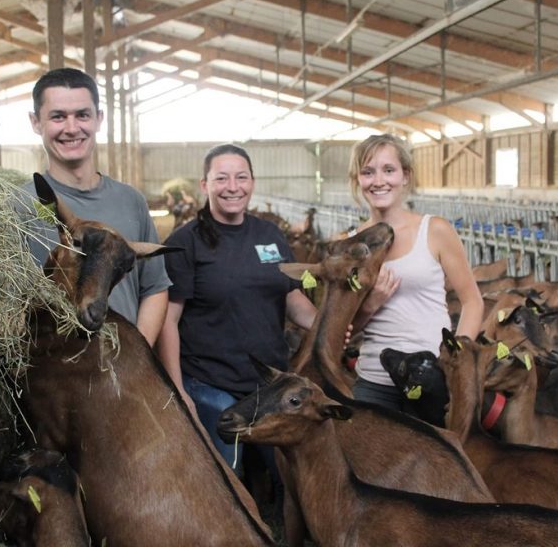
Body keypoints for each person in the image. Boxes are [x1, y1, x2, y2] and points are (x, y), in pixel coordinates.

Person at [157, 143, 317, 474]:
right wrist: (177, 389)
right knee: (227, 473)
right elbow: (168, 320)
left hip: (270, 382)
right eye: (222, 178)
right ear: (205, 185)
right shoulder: (186, 241)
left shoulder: (269, 235)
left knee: (287, 472)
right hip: (211, 383)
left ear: (252, 182)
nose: (233, 187)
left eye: (241, 177)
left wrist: (329, 327)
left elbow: (293, 299)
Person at [19, 68, 170, 346]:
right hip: (48, 366)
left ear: (99, 119)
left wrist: (135, 357)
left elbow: (154, 288)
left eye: (82, 115)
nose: (71, 128)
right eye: (58, 116)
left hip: (121, 363)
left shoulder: (131, 201)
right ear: (36, 122)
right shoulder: (18, 205)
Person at [348, 133, 483, 411]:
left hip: (432, 375)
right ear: (358, 179)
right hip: (375, 381)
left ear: (405, 175)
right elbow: (347, 329)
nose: (378, 181)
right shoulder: (350, 245)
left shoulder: (434, 230)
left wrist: (455, 363)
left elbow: (472, 302)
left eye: (389, 170)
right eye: (368, 172)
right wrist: (371, 304)